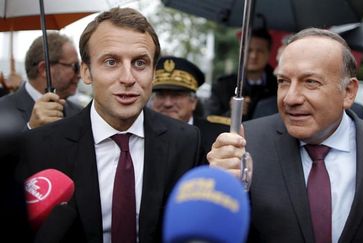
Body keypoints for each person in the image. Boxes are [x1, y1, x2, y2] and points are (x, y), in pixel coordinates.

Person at [207, 28, 363, 242]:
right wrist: (217, 188)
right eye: (283, 81)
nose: (290, 98)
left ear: (348, 92)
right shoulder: (245, 144)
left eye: (310, 82)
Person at [14, 7, 202, 242]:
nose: (127, 78)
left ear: (154, 72)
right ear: (86, 72)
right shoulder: (41, 146)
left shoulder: (186, 141)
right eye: (111, 62)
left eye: (140, 63)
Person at [150, 56, 229, 162]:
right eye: (161, 95)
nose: (167, 103)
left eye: (176, 95)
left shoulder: (219, 135)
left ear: (193, 102)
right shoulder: (140, 134)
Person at [0, 32, 82, 135]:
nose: (79, 75)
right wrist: (31, 129)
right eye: (75, 66)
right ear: (44, 69)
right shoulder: (3, 110)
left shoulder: (78, 113)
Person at [205, 27, 278, 121]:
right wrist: (231, 113)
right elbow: (209, 122)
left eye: (260, 51)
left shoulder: (277, 87)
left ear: (268, 54)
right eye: (249, 50)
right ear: (241, 52)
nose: (254, 56)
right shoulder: (222, 87)